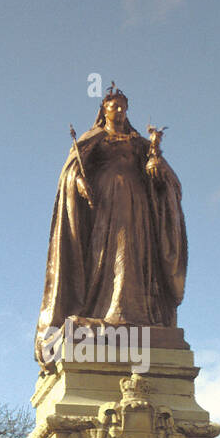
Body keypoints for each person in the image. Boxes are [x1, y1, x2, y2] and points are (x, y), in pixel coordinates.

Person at [34, 84, 187, 365]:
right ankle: (102, 310)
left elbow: (165, 178)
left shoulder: (138, 143)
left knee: (134, 252)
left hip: (138, 204)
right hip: (104, 203)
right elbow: (72, 171)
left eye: (123, 106)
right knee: (105, 254)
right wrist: (78, 183)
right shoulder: (95, 139)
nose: (119, 110)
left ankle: (133, 314)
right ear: (103, 109)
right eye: (114, 105)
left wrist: (158, 169)